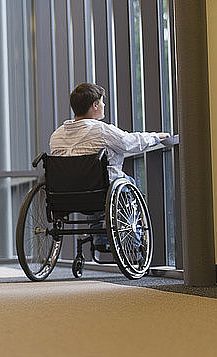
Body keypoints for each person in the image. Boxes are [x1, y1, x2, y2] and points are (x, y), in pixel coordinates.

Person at [49, 83, 169, 250]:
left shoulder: (57, 135)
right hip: (100, 191)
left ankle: (100, 237)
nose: (104, 105)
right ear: (95, 105)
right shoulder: (101, 130)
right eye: (102, 102)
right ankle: (134, 244)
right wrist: (156, 137)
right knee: (127, 183)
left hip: (64, 194)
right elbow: (129, 143)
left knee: (99, 184)